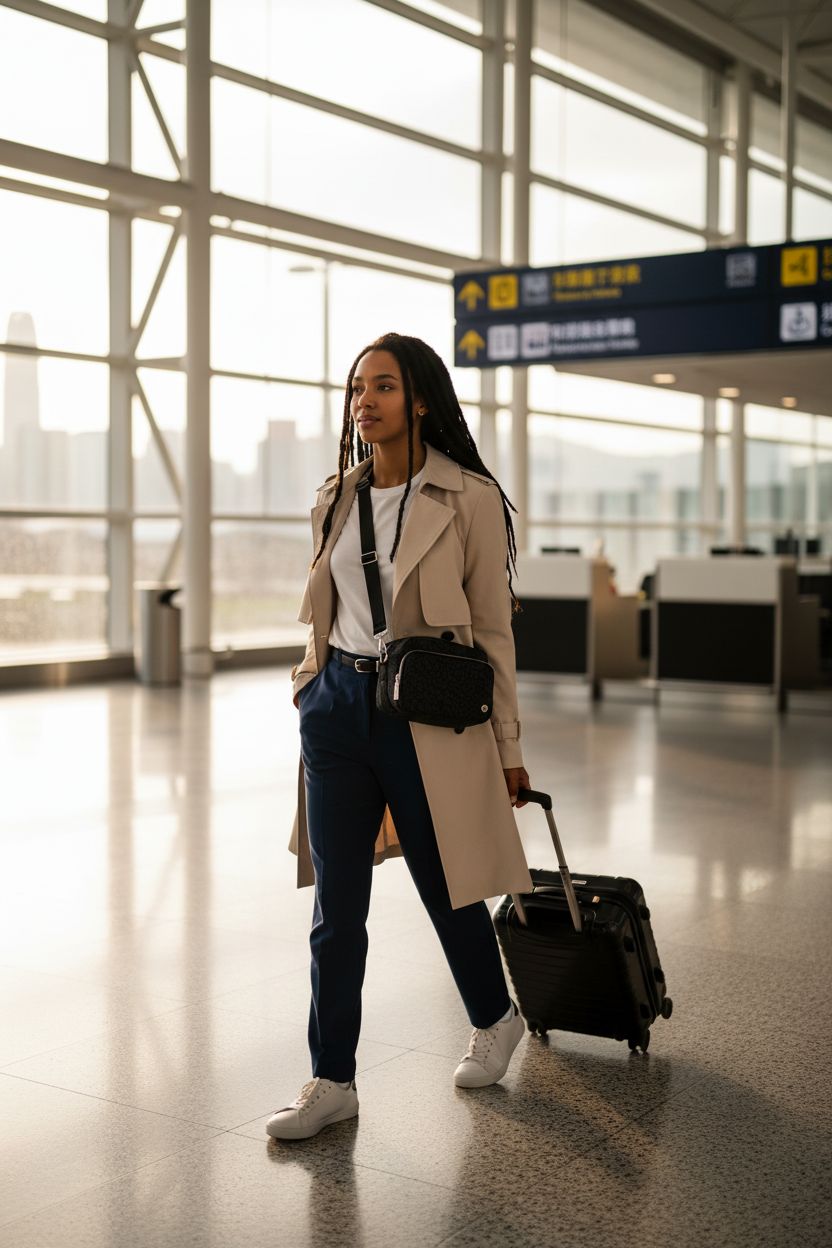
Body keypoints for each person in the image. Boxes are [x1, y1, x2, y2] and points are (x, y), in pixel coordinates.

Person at [267, 333, 534, 1142]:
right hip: (336, 712)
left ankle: (495, 1016)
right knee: (336, 907)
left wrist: (510, 748)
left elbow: (493, 628)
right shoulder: (335, 497)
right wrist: (312, 685)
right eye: (357, 389)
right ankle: (332, 1079)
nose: (365, 401)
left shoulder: (468, 498)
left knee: (445, 881)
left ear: (419, 399)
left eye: (382, 387)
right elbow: (325, 602)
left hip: (425, 713)